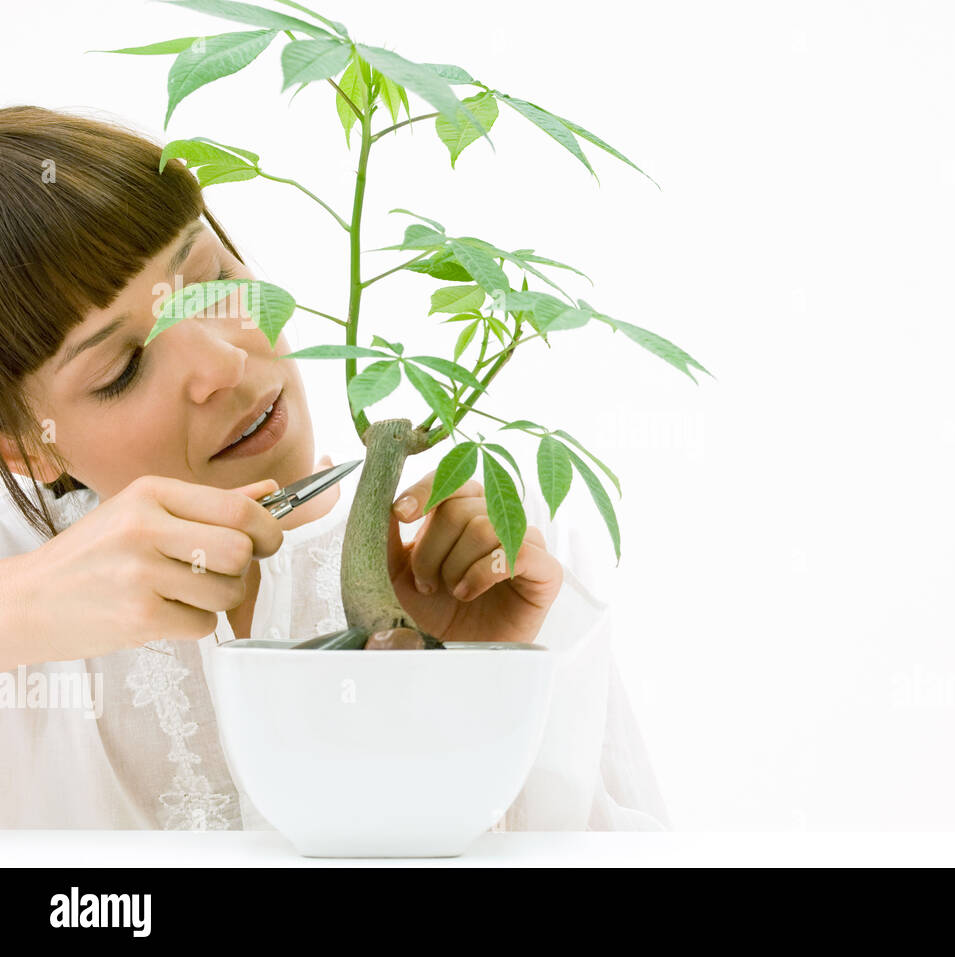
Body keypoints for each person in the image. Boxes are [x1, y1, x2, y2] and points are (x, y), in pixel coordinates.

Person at [0, 104, 669, 833]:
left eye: (210, 284)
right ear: (27, 447)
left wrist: (481, 691)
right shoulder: (23, 584)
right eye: (124, 368)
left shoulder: (477, 545)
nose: (222, 363)